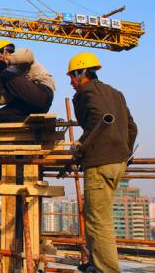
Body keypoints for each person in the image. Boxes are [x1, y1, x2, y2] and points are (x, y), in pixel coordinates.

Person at [66, 52, 137, 273]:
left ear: (80, 73)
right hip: (118, 162)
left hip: (100, 163)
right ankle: (96, 263)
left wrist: (80, 147)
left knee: (98, 220)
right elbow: (132, 128)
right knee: (97, 215)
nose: (70, 82)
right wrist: (123, 153)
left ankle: (106, 269)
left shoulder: (85, 93)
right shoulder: (116, 93)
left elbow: (97, 120)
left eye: (71, 76)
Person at [0, 39, 55, 123]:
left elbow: (29, 54)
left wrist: (5, 62)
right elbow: (7, 98)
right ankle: (31, 121)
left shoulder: (21, 57)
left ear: (5, 51)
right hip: (30, 106)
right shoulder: (11, 76)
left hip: (43, 94)